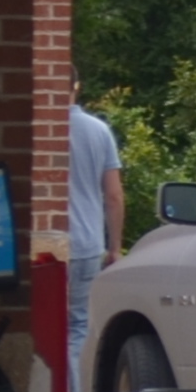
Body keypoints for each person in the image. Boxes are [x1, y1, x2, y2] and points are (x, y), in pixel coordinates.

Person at [67, 86, 121, 270]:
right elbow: (113, 196)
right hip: (87, 244)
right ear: (76, 87)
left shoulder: (40, 130)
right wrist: (115, 248)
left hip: (45, 245)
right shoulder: (100, 130)